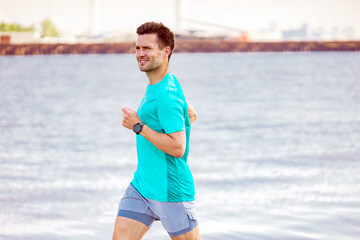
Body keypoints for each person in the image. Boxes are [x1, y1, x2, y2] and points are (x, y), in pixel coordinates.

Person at [112, 22, 201, 240]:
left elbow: (179, 147)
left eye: (147, 48)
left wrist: (138, 126)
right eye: (138, 48)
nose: (140, 54)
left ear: (165, 51)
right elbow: (191, 113)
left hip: (169, 191)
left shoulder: (166, 95)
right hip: (142, 187)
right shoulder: (163, 84)